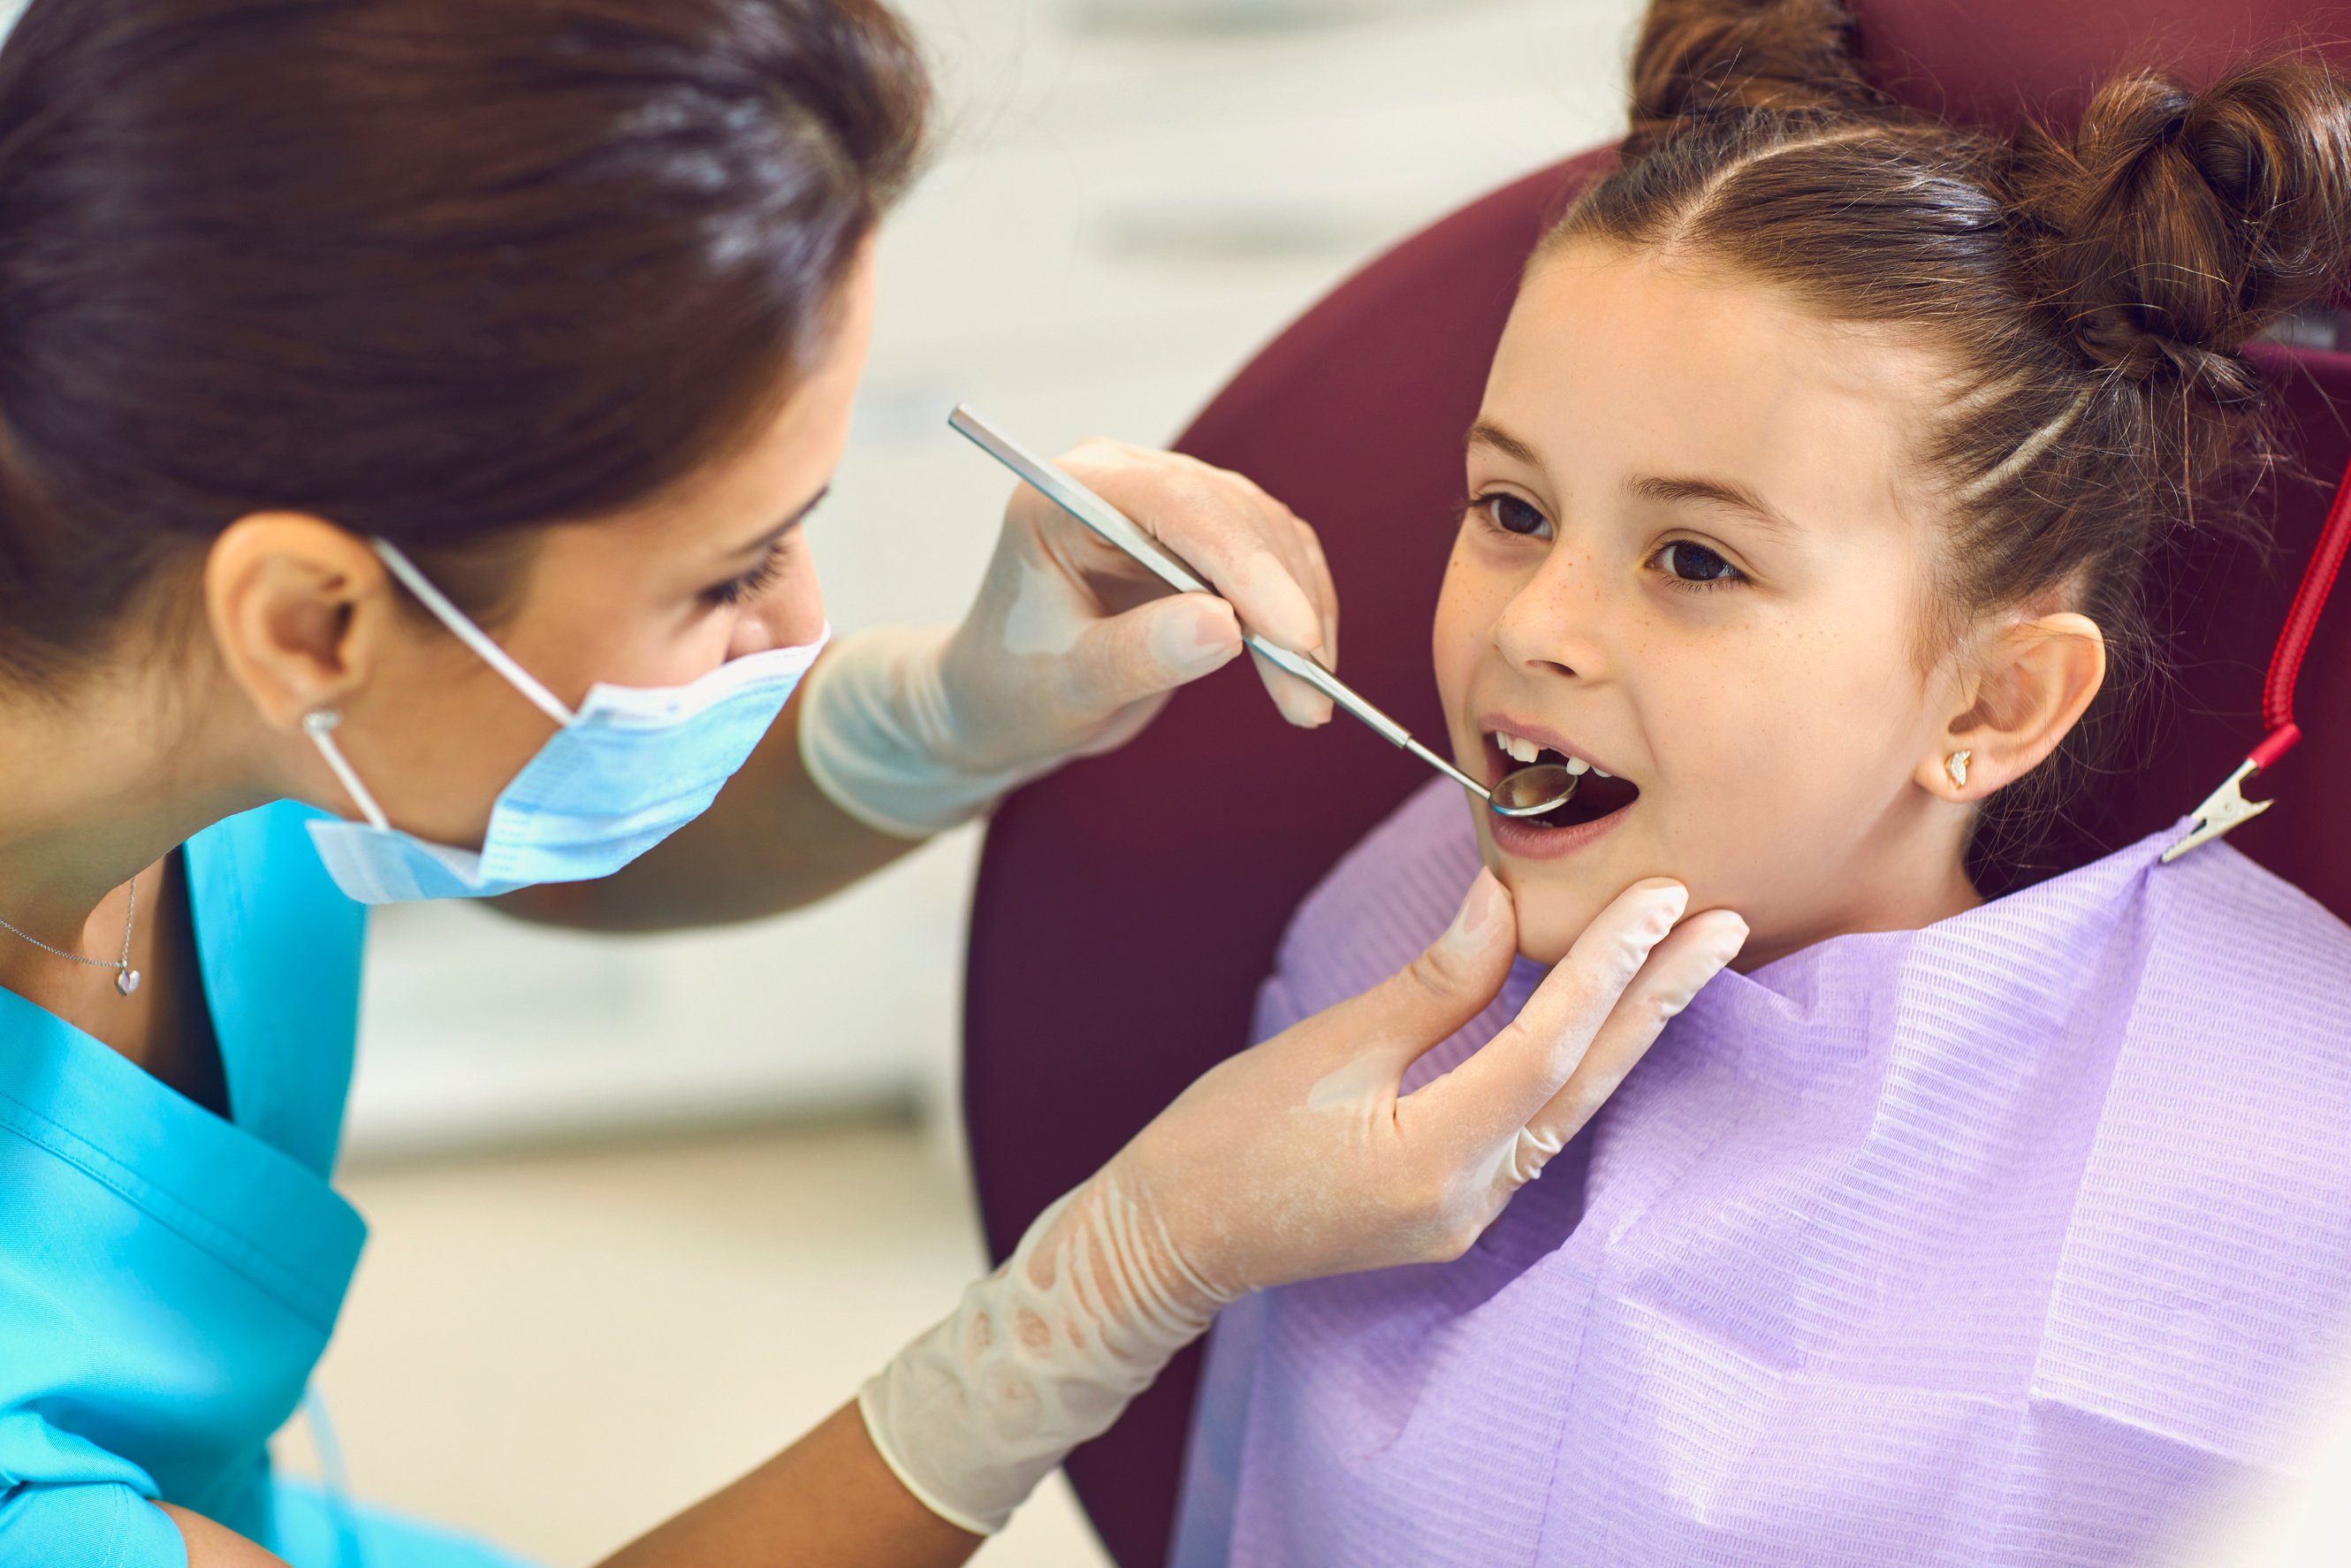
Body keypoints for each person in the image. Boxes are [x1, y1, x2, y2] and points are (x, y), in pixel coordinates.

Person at [0, 1, 1757, 1564]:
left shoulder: (141, 571)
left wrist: (937, 715)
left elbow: (467, 811)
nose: (806, 625)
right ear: (314, 619)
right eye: (726, 574)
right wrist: (1108, 1285)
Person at [1168, 2, 2351, 1563]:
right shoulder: (1380, 931)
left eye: (1695, 558)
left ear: (1995, 700)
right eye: (1511, 507)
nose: (1534, 626)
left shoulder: (2255, 1161)